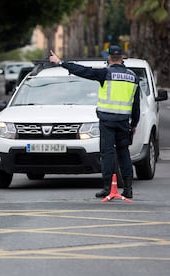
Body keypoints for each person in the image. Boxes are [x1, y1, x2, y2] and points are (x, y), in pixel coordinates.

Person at [49, 45, 140, 199]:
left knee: (107, 153)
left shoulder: (105, 73)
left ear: (109, 57)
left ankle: (107, 187)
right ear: (122, 57)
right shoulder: (133, 77)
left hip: (107, 122)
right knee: (124, 153)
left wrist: (60, 62)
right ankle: (128, 189)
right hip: (124, 122)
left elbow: (82, 71)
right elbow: (136, 105)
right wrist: (134, 124)